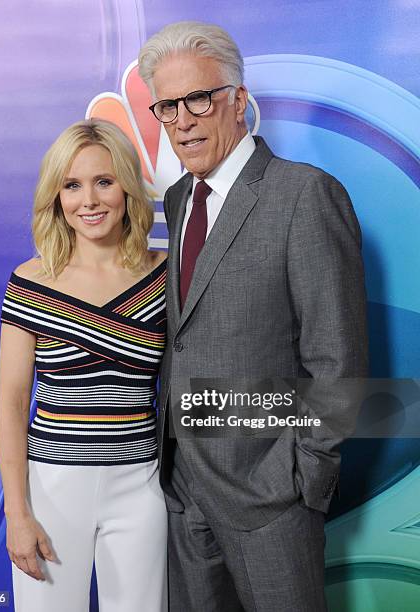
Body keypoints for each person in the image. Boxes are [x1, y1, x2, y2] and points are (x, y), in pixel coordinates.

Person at [138, 21, 368, 612]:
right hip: (183, 492)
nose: (182, 119)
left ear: (238, 101)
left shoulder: (304, 195)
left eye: (198, 98)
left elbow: (336, 360)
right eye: (168, 105)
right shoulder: (178, 200)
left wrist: (299, 481)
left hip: (270, 500)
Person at [0, 119, 168, 612]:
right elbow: (10, 407)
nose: (88, 201)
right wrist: (17, 514)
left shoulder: (165, 274)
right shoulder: (29, 283)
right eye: (72, 185)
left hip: (141, 486)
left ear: (128, 189)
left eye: (104, 182)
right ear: (56, 196)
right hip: (50, 490)